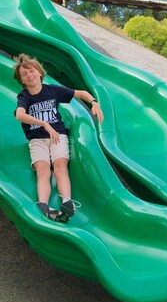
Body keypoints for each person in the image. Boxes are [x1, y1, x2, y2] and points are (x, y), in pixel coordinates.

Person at [13, 53, 103, 222]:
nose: (29, 75)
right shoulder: (24, 97)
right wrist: (44, 124)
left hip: (58, 135)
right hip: (37, 138)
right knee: (43, 169)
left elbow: (81, 93)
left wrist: (94, 102)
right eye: (24, 75)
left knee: (60, 166)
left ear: (40, 73)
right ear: (22, 81)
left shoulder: (53, 90)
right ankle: (43, 205)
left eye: (31, 71)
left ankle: (67, 203)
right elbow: (20, 115)